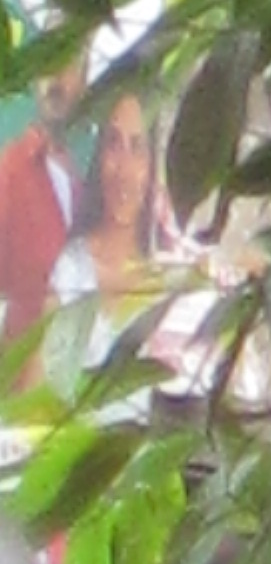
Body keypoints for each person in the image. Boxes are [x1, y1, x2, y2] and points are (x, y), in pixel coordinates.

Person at [47, 87, 164, 371]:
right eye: (113, 144)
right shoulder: (63, 274)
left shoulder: (165, 284)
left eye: (137, 148)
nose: (124, 170)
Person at [0, 63, 82, 352]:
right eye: (47, 64)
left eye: (67, 63)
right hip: (21, 369)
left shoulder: (83, 186)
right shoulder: (10, 172)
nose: (54, 80)